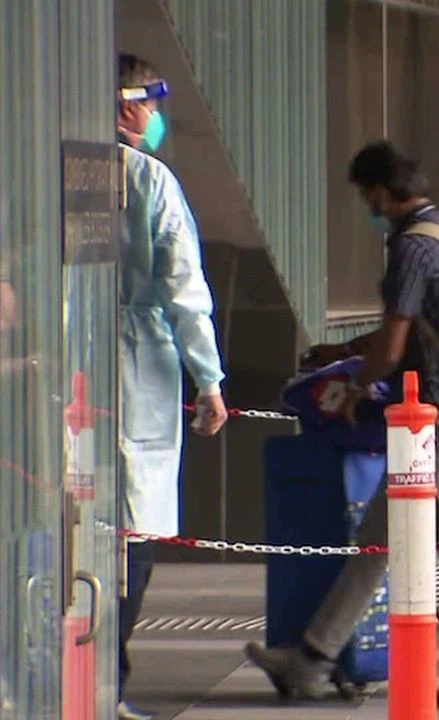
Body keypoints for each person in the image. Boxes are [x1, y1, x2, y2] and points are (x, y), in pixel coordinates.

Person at [244, 141, 439, 708]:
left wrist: (355, 385)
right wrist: (344, 350)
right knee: (378, 541)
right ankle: (312, 659)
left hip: (432, 416)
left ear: (379, 191)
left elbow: (395, 341)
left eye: (365, 196)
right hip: (436, 410)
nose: (367, 207)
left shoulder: (410, 248)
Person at [116, 54, 230, 720]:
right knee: (134, 533)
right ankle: (108, 680)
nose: (156, 118)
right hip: (139, 373)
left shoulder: (52, 174)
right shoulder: (148, 180)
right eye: (152, 104)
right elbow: (185, 292)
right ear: (130, 105)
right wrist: (208, 381)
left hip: (62, 368)